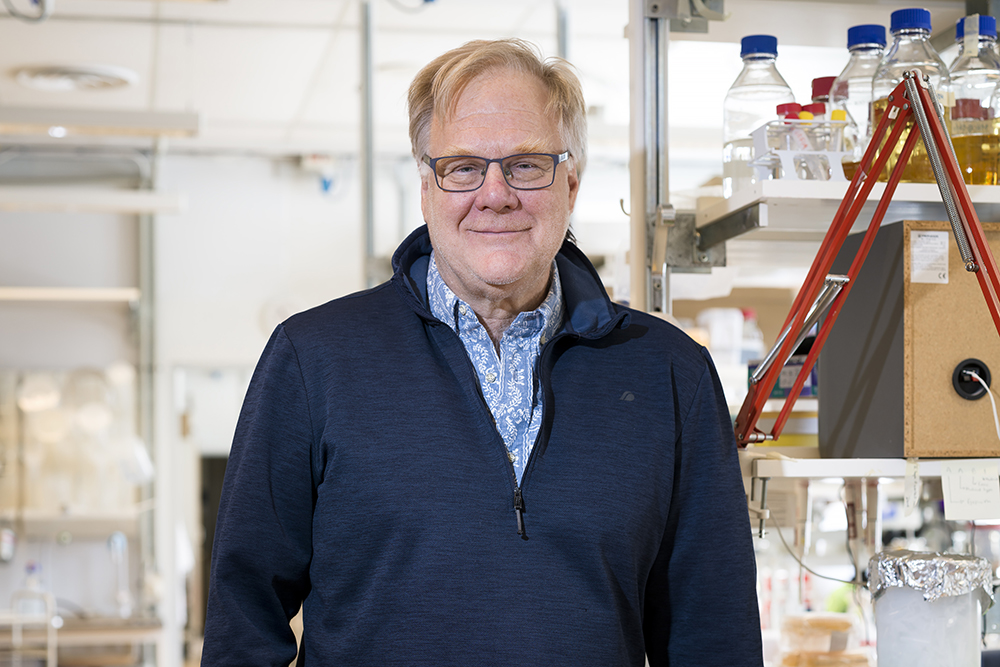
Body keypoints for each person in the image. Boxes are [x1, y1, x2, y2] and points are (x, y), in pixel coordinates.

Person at [202, 38, 762, 666]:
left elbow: (714, 634)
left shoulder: (670, 373)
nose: (494, 194)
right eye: (463, 167)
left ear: (570, 183)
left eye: (526, 165)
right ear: (426, 188)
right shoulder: (313, 360)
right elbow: (241, 622)